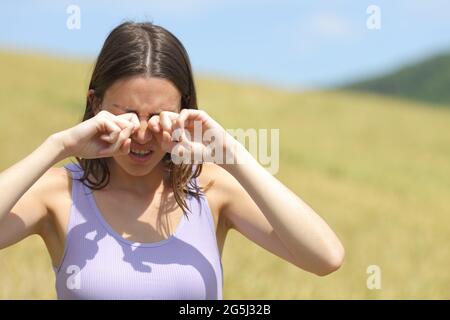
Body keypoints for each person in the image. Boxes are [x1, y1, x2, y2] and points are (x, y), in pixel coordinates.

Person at [0, 21, 344, 300]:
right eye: (128, 114)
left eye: (160, 115)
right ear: (96, 105)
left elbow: (325, 257)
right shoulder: (60, 194)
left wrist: (231, 154)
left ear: (185, 111)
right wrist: (58, 145)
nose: (143, 133)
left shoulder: (211, 190)